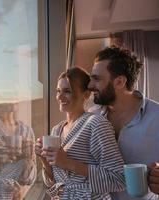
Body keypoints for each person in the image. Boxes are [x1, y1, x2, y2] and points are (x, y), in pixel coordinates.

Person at [35, 67, 125, 199]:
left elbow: (119, 179)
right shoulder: (56, 130)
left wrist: (70, 163)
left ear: (86, 94)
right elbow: (54, 182)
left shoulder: (96, 124)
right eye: (58, 91)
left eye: (67, 91)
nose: (59, 96)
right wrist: (44, 159)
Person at [88, 46, 159, 200]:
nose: (90, 85)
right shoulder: (91, 117)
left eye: (97, 79)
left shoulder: (157, 117)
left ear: (119, 82)